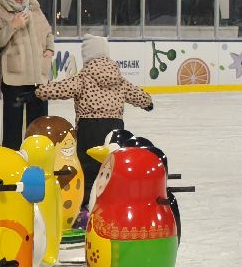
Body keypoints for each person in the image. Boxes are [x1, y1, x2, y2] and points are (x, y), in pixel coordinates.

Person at [35, 34, 154, 227]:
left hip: (89, 128)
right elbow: (140, 96)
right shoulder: (118, 79)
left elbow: (59, 89)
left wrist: (39, 91)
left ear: (87, 55)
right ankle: (111, 206)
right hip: (114, 129)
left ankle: (84, 211)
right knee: (110, 168)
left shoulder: (83, 77)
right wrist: (147, 103)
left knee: (88, 169)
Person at [0, 0, 56, 149]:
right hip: (15, 77)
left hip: (38, 76)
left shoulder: (34, 8)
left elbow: (47, 31)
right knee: (12, 124)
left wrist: (49, 50)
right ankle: (12, 156)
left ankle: (37, 153)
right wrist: (13, 25)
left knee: (39, 124)